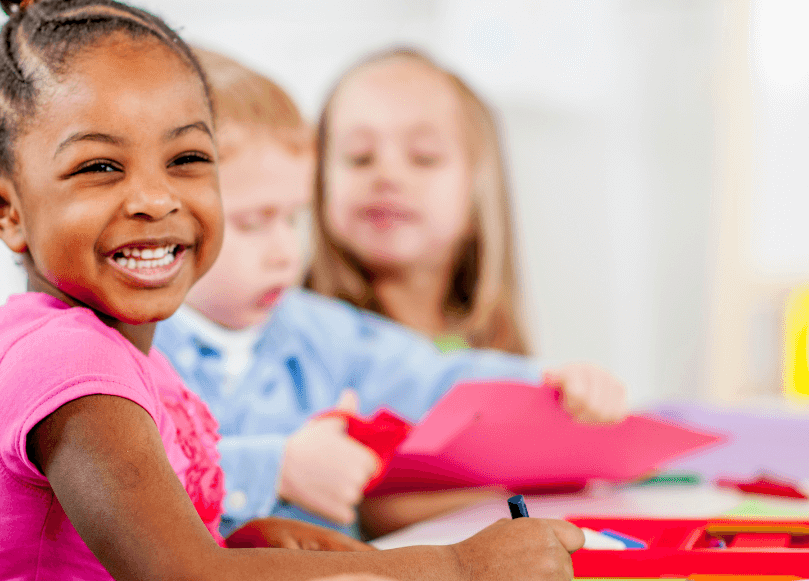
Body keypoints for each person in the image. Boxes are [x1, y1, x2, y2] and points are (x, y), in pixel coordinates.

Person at [0, 0, 584, 581]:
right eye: (99, 167)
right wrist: (456, 566)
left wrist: (253, 545)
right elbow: (183, 576)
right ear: (5, 209)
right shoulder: (66, 361)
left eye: (188, 158)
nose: (156, 198)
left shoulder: (132, 356)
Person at [156, 49, 627, 538]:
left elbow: (434, 378)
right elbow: (128, 475)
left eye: (293, 219)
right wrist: (275, 469)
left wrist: (553, 384)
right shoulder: (137, 347)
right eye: (254, 222)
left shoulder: (318, 328)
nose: (285, 252)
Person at [308, 50, 527, 354]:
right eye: (359, 157)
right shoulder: (292, 344)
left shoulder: (497, 362)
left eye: (424, 157)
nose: (387, 176)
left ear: (478, 190)